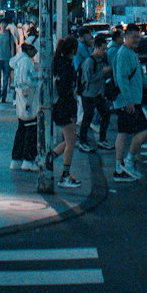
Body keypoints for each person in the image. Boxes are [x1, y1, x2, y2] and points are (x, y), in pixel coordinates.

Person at [111, 24, 147, 181]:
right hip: (128, 101)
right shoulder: (124, 54)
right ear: (125, 37)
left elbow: (140, 76)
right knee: (143, 130)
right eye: (134, 37)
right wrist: (128, 101)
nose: (136, 40)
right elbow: (122, 78)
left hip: (129, 100)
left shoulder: (130, 53)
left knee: (123, 132)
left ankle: (119, 168)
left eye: (138, 37)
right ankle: (128, 161)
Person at [51, 36, 80, 187]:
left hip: (62, 106)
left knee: (70, 139)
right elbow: (65, 89)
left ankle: (49, 158)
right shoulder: (66, 66)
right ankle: (65, 175)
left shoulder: (60, 62)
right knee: (70, 142)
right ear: (73, 50)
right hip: (65, 107)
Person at [78, 33, 113, 152]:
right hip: (88, 94)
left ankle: (102, 139)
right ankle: (83, 142)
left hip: (98, 94)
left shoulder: (101, 60)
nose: (104, 51)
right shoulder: (89, 61)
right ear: (96, 48)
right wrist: (102, 73)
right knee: (87, 117)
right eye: (103, 49)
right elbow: (89, 79)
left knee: (105, 114)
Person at [11, 41, 39, 169]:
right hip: (28, 99)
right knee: (31, 130)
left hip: (21, 100)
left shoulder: (19, 60)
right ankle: (28, 159)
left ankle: (17, 158)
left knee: (22, 129)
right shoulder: (26, 61)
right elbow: (24, 81)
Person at [0, 21, 15, 104]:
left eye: (4, 24)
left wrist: (12, 59)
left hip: (7, 59)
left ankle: (3, 96)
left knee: (6, 78)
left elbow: (12, 47)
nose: (3, 25)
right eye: (2, 24)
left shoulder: (9, 36)